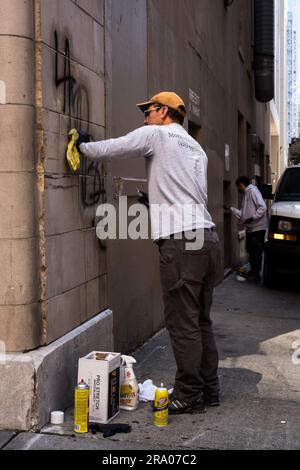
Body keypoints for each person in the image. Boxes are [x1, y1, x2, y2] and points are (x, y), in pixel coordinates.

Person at [77, 91, 221, 414]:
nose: (145, 117)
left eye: (149, 111)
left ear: (165, 112)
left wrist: (84, 146)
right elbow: (186, 191)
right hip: (207, 241)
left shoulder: (156, 134)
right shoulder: (196, 147)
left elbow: (117, 147)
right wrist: (155, 203)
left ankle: (187, 393)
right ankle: (210, 389)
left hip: (182, 244)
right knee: (201, 321)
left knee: (182, 323)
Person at [230, 176, 268, 282]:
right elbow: (243, 214)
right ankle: (253, 272)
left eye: (239, 187)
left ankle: (256, 274)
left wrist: (253, 218)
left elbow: (263, 207)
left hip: (258, 228)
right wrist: (231, 209)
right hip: (251, 229)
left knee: (256, 251)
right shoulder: (246, 194)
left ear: (241, 185)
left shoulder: (253, 191)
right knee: (251, 251)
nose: (239, 189)